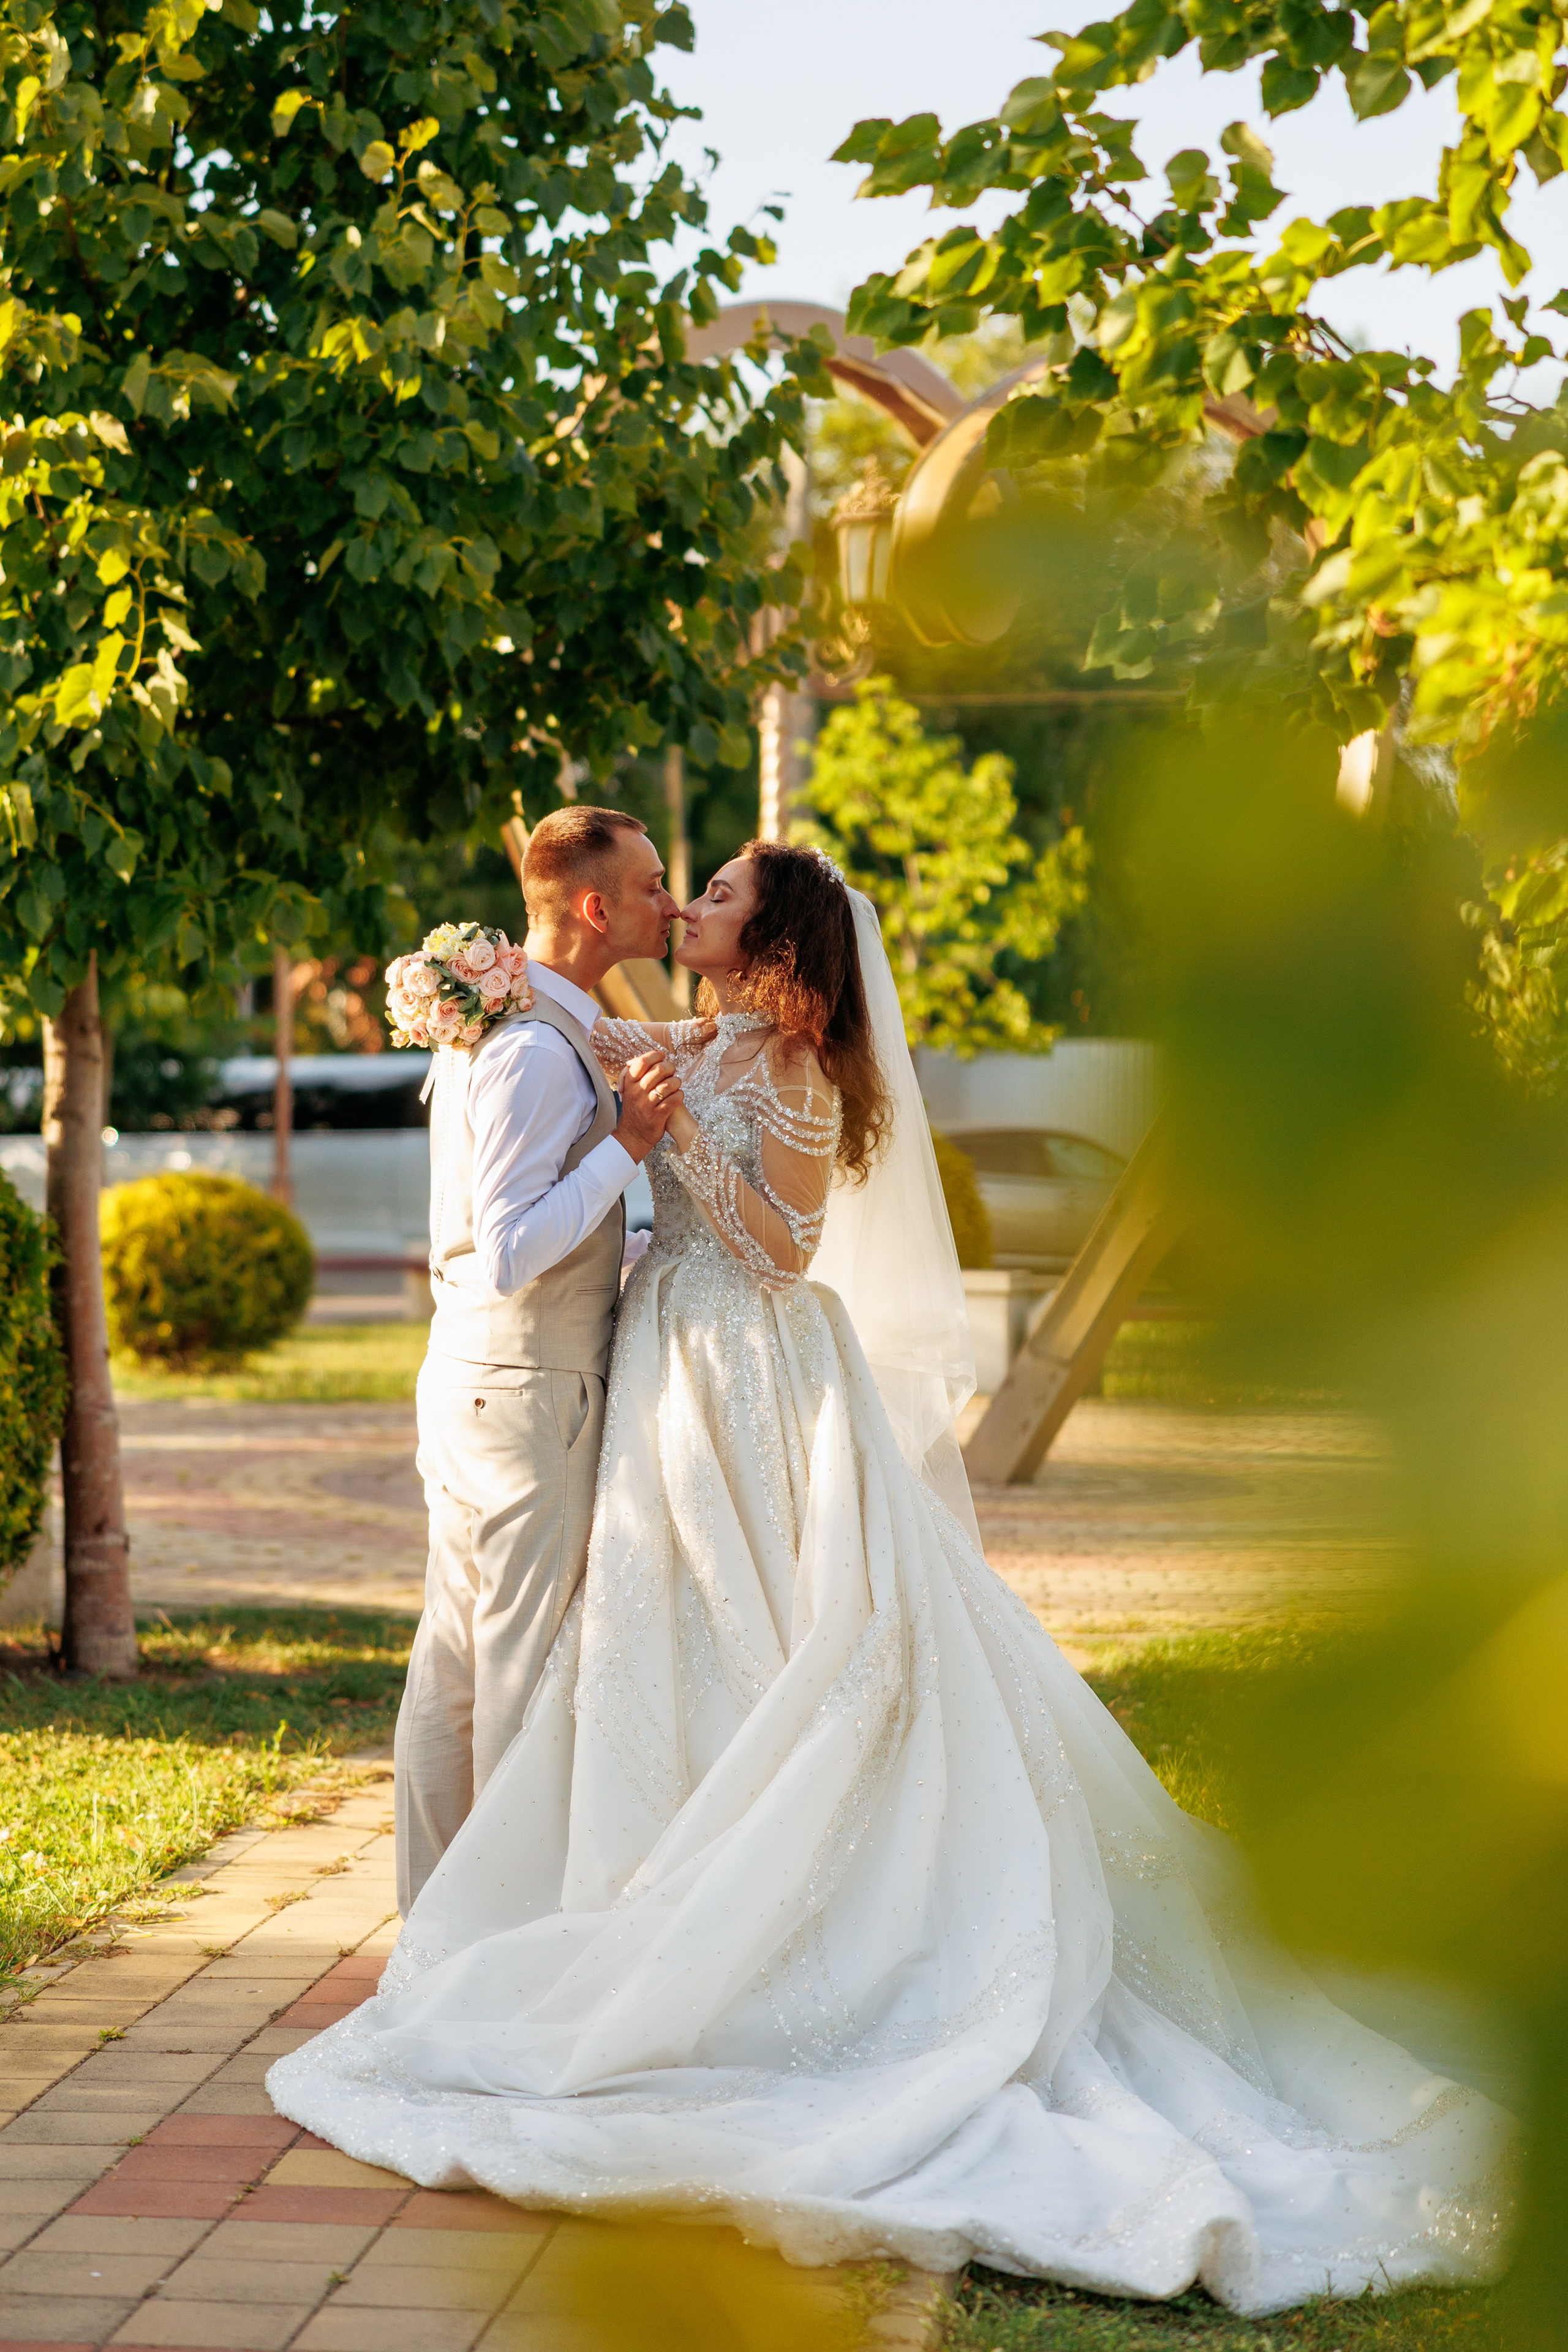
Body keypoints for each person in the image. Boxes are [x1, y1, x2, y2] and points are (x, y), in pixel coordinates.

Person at [276, 842, 1510, 2318]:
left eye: (719, 896)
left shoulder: (797, 1066)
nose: (692, 909)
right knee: (661, 1647)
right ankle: (635, 1904)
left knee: (780, 1649)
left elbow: (787, 1247)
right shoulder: (697, 1033)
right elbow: (582, 1039)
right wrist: (476, 990)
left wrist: (661, 1144)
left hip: (752, 1368)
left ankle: (759, 1946)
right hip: (664, 1374)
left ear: (778, 943)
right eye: (683, 888)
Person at [393, 805, 684, 1913]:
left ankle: (436, 1935)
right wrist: (630, 1148)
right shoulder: (528, 1050)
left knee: (457, 1668)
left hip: (476, 1382)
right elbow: (509, 1246)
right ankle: (492, 1949)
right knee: (509, 1676)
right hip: (524, 1394)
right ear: (598, 906)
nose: (670, 901)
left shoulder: (517, 1028)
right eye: (656, 885)